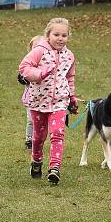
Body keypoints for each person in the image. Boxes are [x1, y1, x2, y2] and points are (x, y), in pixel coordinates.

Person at [18, 18, 78, 185]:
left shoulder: (69, 56)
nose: (60, 38)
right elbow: (24, 68)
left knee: (58, 133)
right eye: (56, 34)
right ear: (48, 35)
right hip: (38, 101)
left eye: (64, 35)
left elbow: (70, 78)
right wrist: (40, 73)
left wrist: (72, 98)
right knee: (38, 136)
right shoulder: (39, 51)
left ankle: (54, 168)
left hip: (59, 101)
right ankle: (36, 160)